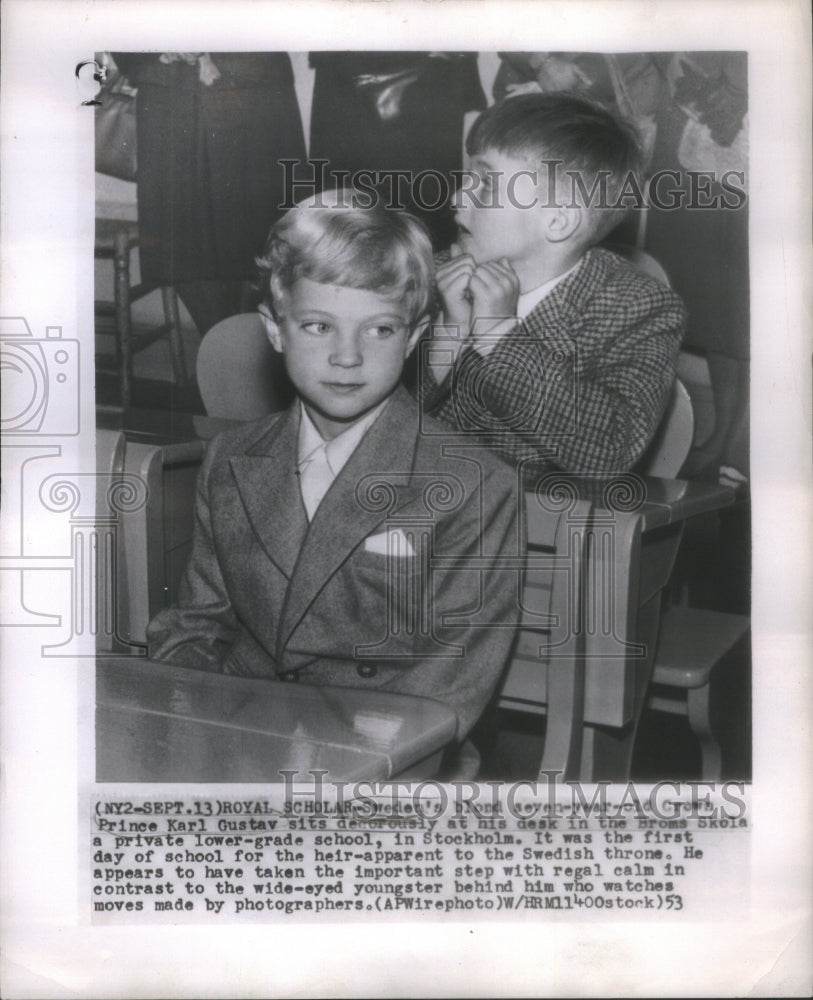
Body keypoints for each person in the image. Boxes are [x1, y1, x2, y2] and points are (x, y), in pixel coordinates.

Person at [146, 196, 520, 742]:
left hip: (384, 755)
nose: (348, 356)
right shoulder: (230, 459)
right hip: (238, 731)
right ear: (276, 330)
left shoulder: (475, 484)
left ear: (415, 338)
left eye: (380, 330)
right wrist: (200, 720)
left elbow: (451, 677)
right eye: (319, 326)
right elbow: (195, 624)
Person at [415, 92, 687, 475]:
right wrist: (447, 335)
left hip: (537, 525)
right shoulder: (434, 273)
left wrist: (498, 335)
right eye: (467, 178)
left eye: (487, 185)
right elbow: (370, 423)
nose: (459, 197)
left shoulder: (637, 308)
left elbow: (610, 447)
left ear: (558, 221)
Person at [112, 52, 307, 336]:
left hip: (249, 87)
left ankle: (243, 358)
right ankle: (219, 353)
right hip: (170, 92)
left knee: (257, 243)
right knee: (180, 243)